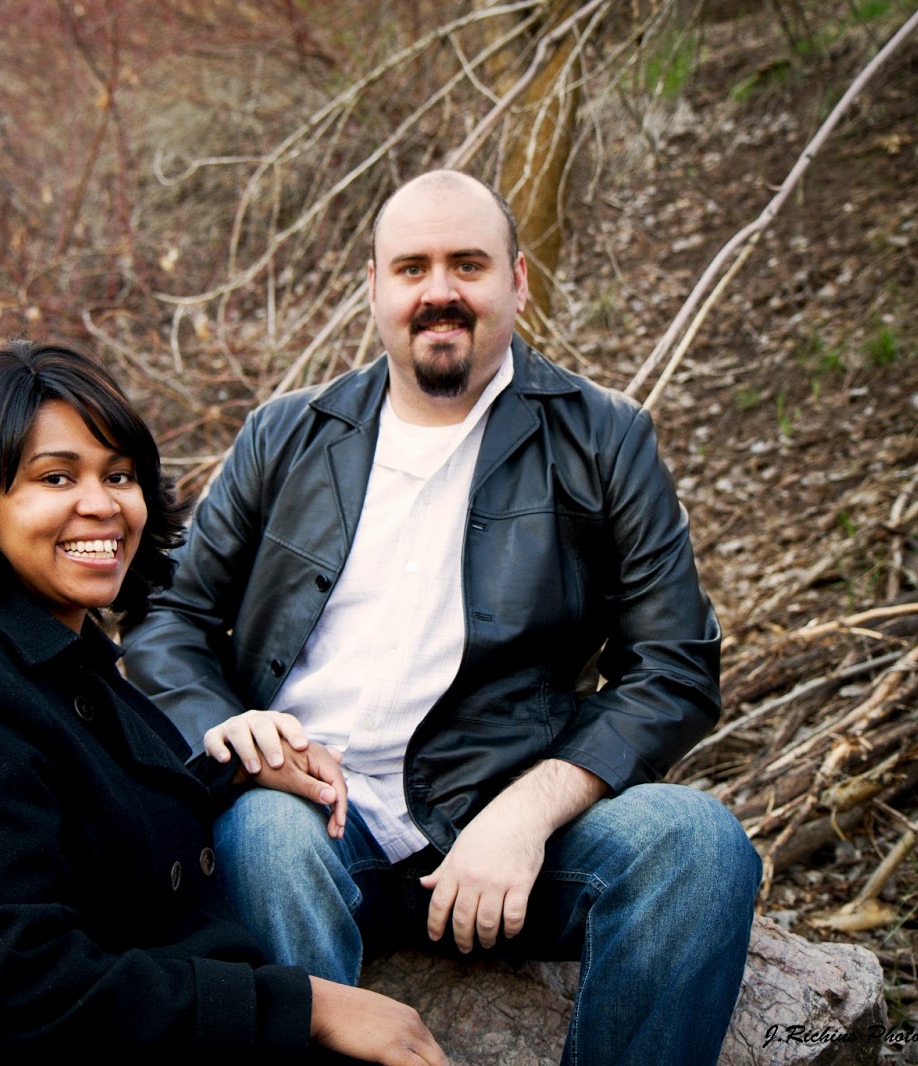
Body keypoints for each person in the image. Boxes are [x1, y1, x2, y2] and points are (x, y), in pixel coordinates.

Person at [121, 171, 762, 1064]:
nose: (439, 292)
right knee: (262, 834)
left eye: (468, 264)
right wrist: (233, 732)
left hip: (504, 829)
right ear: (374, 287)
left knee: (698, 846)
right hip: (309, 822)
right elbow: (168, 612)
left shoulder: (605, 438)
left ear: (518, 281)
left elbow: (675, 666)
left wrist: (527, 813)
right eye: (412, 268)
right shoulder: (284, 434)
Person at [0, 340, 447, 1065]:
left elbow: (94, 828)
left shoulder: (67, 664)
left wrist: (234, 771)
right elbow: (16, 986)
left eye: (119, 475)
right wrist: (306, 1007)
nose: (101, 505)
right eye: (56, 477)